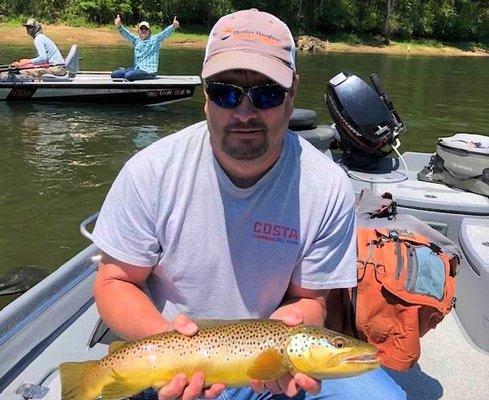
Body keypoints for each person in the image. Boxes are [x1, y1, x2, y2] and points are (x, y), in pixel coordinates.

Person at [92, 8, 407, 400]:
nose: (244, 113)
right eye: (226, 92)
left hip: (273, 366)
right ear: (205, 96)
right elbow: (114, 282)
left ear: (292, 95)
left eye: (266, 93)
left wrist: (297, 319)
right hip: (168, 361)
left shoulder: (327, 187)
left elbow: (311, 300)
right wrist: (169, 344)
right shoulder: (150, 172)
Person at [111, 14, 179, 81]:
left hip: (149, 71)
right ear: (139, 31)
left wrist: (173, 26)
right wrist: (119, 26)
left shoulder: (155, 40)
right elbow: (127, 34)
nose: (143, 30)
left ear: (149, 31)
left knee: (128, 75)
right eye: (141, 28)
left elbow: (164, 34)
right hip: (137, 69)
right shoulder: (136, 40)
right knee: (115, 74)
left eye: (146, 29)